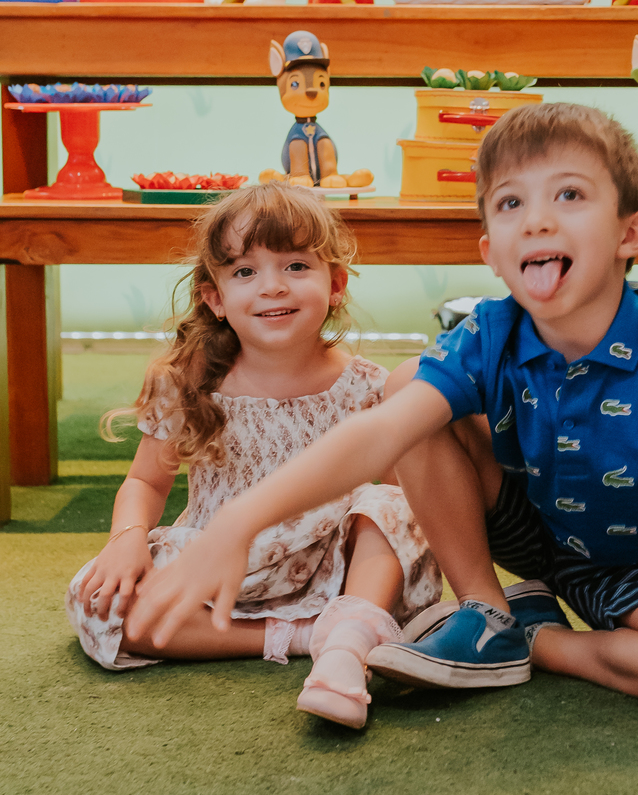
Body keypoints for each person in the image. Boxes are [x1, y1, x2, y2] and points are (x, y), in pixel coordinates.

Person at [127, 105, 638, 760]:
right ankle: (488, 609)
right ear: (491, 250)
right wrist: (237, 522)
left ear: (634, 230)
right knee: (407, 393)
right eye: (511, 203)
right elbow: (381, 433)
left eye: (569, 194)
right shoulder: (489, 333)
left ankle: (537, 637)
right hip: (524, 525)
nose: (540, 219)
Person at [67, 185, 439, 730]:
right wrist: (125, 544)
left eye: (295, 265)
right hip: (220, 568)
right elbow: (146, 483)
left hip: (330, 568)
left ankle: (352, 628)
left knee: (392, 506)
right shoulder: (187, 381)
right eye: (244, 272)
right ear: (214, 297)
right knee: (111, 605)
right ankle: (307, 637)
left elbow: (386, 509)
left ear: (334, 285)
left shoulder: (366, 386)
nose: (272, 286)